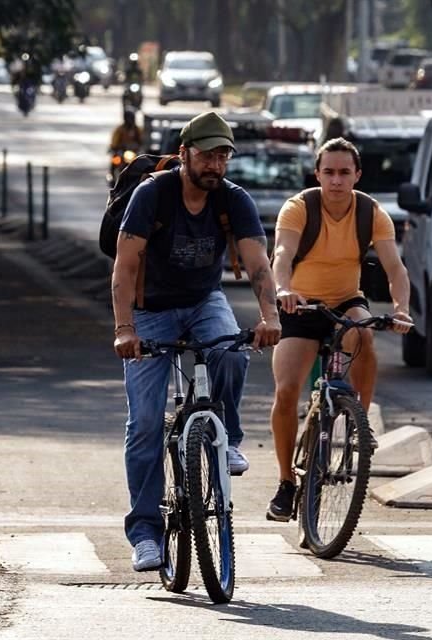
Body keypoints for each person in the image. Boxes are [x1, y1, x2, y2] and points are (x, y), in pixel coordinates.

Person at [111, 111, 281, 571]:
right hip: (150, 310)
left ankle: (227, 438)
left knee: (230, 349)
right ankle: (145, 532)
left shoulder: (233, 200)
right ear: (184, 153)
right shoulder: (152, 196)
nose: (215, 164)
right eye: (207, 154)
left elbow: (259, 263)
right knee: (145, 422)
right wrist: (125, 329)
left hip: (204, 299)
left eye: (222, 155)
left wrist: (270, 316)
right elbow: (125, 267)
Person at [266, 137, 413, 522]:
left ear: (357, 175)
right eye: (328, 172)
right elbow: (281, 254)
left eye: (344, 172)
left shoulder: (371, 212)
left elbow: (395, 267)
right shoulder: (298, 208)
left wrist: (401, 309)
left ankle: (358, 425)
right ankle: (285, 483)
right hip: (301, 304)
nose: (336, 180)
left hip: (346, 300)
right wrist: (283, 289)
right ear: (317, 174)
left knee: (364, 333)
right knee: (285, 391)